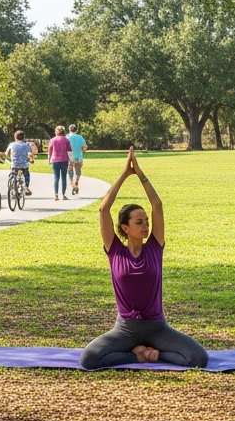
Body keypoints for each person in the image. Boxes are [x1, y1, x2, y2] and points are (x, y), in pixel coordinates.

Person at [81, 147, 208, 369]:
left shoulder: (154, 247)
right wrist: (124, 174)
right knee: (89, 360)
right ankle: (137, 355)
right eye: (139, 222)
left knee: (198, 359)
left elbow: (157, 205)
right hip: (125, 329)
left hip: (157, 327)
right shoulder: (115, 249)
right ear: (125, 227)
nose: (145, 226)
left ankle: (153, 354)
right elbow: (103, 210)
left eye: (146, 221)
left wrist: (140, 174)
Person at [47, 126, 73, 201]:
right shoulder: (66, 140)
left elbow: (50, 151)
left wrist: (49, 160)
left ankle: (56, 194)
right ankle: (64, 194)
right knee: (64, 177)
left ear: (56, 132)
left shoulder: (52, 140)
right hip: (64, 159)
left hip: (55, 160)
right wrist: (72, 161)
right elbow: (70, 151)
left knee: (56, 177)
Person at [5, 130, 35, 195]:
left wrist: (10, 157)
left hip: (14, 166)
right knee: (26, 174)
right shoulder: (27, 145)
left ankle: (13, 185)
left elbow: (6, 154)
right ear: (24, 138)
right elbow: (30, 154)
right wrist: (31, 159)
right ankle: (26, 187)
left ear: (15, 137)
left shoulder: (11, 144)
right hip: (24, 166)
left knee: (13, 173)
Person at [66, 124, 88, 195]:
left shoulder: (66, 137)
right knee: (78, 171)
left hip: (69, 157)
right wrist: (82, 150)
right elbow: (84, 147)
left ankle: (73, 185)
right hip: (78, 157)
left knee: (70, 171)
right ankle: (77, 182)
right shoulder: (80, 137)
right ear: (76, 130)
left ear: (69, 130)